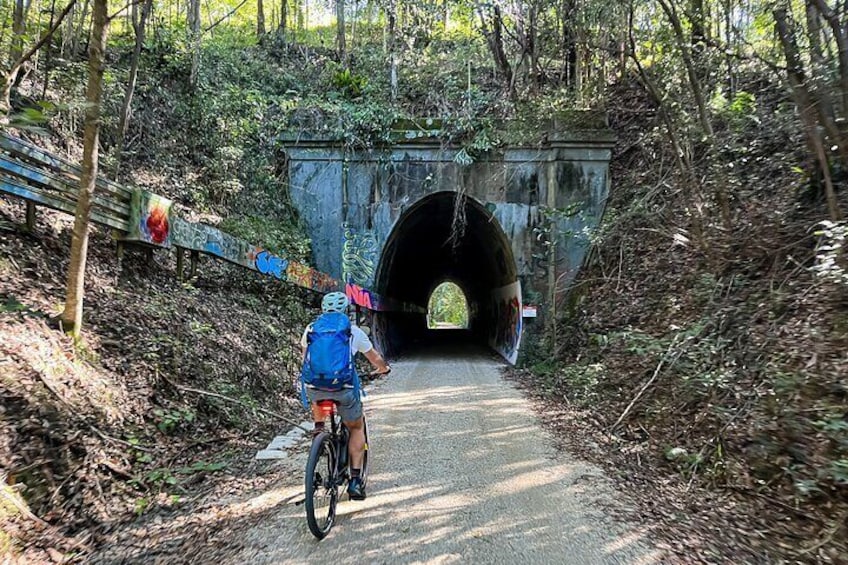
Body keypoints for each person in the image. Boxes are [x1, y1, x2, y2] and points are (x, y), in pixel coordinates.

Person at [301, 291, 390, 500]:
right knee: (356, 427)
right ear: (346, 311)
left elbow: (305, 358)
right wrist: (383, 368)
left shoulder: (311, 329)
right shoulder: (353, 331)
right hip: (344, 388)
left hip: (315, 386)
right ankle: (356, 481)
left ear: (323, 310)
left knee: (319, 394)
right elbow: (374, 358)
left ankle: (319, 431)